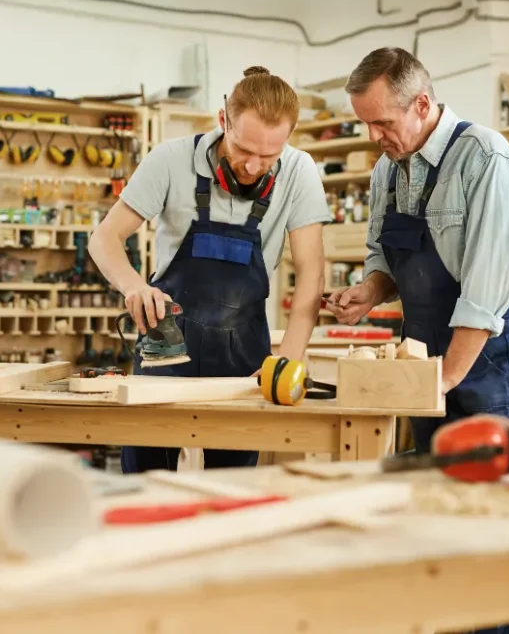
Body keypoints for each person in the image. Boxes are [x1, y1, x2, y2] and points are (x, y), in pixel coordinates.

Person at [329, 48, 509, 634]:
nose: (373, 137)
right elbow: (385, 255)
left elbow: (486, 288)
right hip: (422, 350)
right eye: (363, 123)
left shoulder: (487, 159)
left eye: (382, 123)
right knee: (432, 505)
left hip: (487, 356)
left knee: (485, 512)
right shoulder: (386, 169)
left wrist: (446, 378)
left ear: (421, 104)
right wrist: (369, 290)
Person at [89, 66, 331, 473]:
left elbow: (311, 271)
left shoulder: (299, 170)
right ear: (223, 121)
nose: (254, 166)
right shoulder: (170, 159)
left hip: (244, 359)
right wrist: (133, 286)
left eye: (269, 156)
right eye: (244, 150)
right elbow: (104, 239)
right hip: (166, 347)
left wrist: (290, 356)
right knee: (148, 486)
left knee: (232, 487)